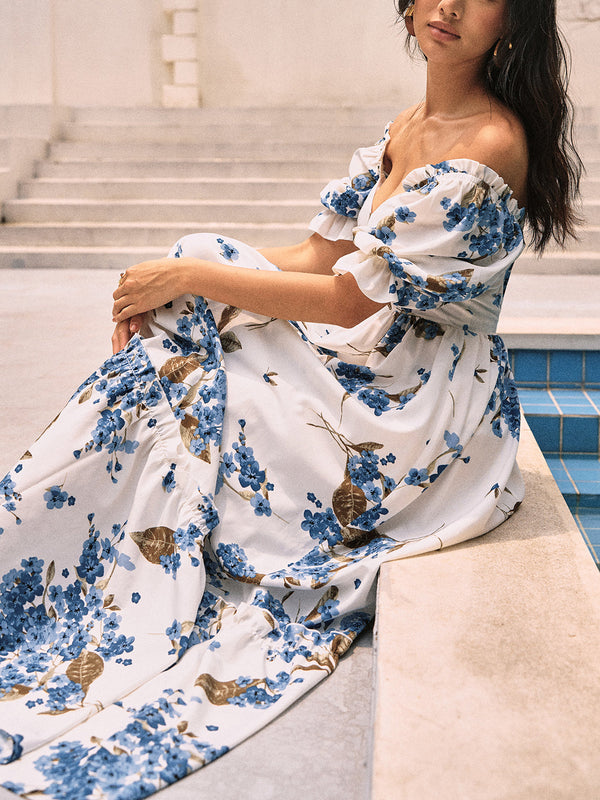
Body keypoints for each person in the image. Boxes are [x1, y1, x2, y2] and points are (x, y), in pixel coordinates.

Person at [0, 1, 582, 797]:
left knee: (190, 330)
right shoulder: (409, 125)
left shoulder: (489, 142)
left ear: (511, 23)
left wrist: (193, 282)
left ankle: (50, 548)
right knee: (190, 291)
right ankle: (63, 553)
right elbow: (319, 253)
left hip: (416, 409)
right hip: (374, 364)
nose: (448, 6)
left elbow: (349, 301)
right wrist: (183, 273)